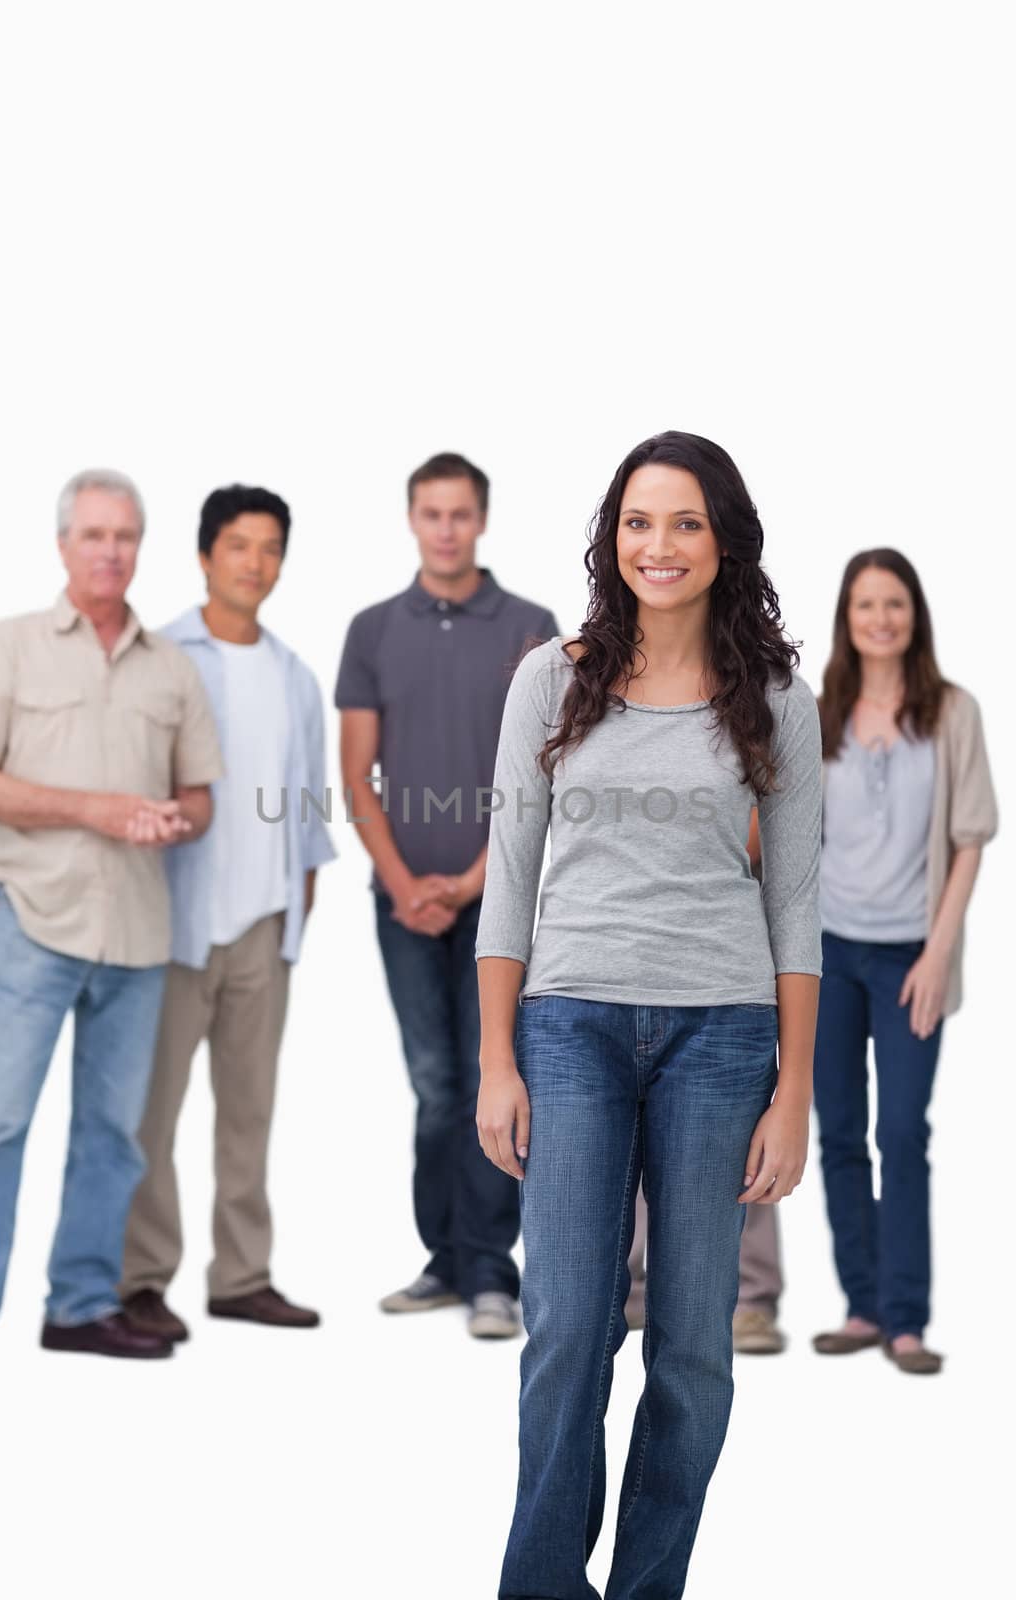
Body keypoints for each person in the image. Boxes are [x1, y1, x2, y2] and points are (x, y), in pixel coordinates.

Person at [475, 430, 822, 1598]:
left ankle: (645, 1588)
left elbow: (794, 902)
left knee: (691, 1351)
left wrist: (794, 1091)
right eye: (636, 521)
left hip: (720, 1037)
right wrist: (494, 1058)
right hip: (566, 1026)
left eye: (682, 522)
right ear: (608, 537)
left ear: (722, 540)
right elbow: (508, 876)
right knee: (566, 1331)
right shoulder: (548, 677)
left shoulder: (775, 697)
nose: (657, 545)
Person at [0, 469, 223, 1397]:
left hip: (140, 935)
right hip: (36, 919)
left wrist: (170, 823)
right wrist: (97, 811)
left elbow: (199, 799)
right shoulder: (9, 646)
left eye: (125, 536)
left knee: (113, 1134)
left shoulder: (170, 668)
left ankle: (79, 1306)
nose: (110, 550)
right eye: (94, 534)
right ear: (64, 544)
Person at [335, 452, 558, 1340]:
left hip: (495, 902)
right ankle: (446, 1260)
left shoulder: (532, 627)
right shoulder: (372, 629)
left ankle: (491, 1273)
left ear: (482, 519)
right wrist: (401, 884)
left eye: (460, 513)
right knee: (433, 1085)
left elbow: (544, 775)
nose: (445, 528)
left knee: (489, 1078)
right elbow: (357, 778)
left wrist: (470, 883)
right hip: (400, 905)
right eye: (431, 513)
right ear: (411, 519)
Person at [120, 485, 336, 1342]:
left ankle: (241, 1276)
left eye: (270, 547)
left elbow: (311, 815)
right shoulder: (161, 656)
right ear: (205, 554)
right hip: (170, 923)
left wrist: (294, 920)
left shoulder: (294, 676)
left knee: (249, 1113)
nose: (255, 563)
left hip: (262, 927)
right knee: (150, 1116)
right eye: (239, 545)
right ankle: (140, 1279)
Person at [811, 549, 997, 1376]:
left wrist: (936, 952)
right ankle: (860, 1307)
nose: (880, 619)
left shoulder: (951, 711)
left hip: (907, 959)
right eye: (864, 606)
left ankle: (906, 1319)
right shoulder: (819, 714)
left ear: (913, 615)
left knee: (901, 1131)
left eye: (893, 604)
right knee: (840, 1132)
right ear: (845, 620)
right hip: (824, 953)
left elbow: (968, 840)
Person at [625, 814, 790, 1356]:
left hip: (730, 938)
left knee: (736, 1144)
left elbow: (772, 802)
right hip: (628, 930)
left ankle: (750, 1297)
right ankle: (635, 1287)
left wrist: (699, 846)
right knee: (633, 1125)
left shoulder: (782, 726)